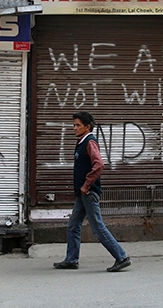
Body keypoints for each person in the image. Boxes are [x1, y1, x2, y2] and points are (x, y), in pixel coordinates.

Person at [53, 111, 131, 272]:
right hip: (82, 194)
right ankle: (71, 259)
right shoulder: (82, 142)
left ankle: (121, 257)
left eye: (78, 125)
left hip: (88, 193)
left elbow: (99, 165)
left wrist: (86, 185)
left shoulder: (89, 142)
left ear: (87, 127)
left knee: (97, 228)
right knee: (73, 226)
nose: (74, 128)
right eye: (74, 125)